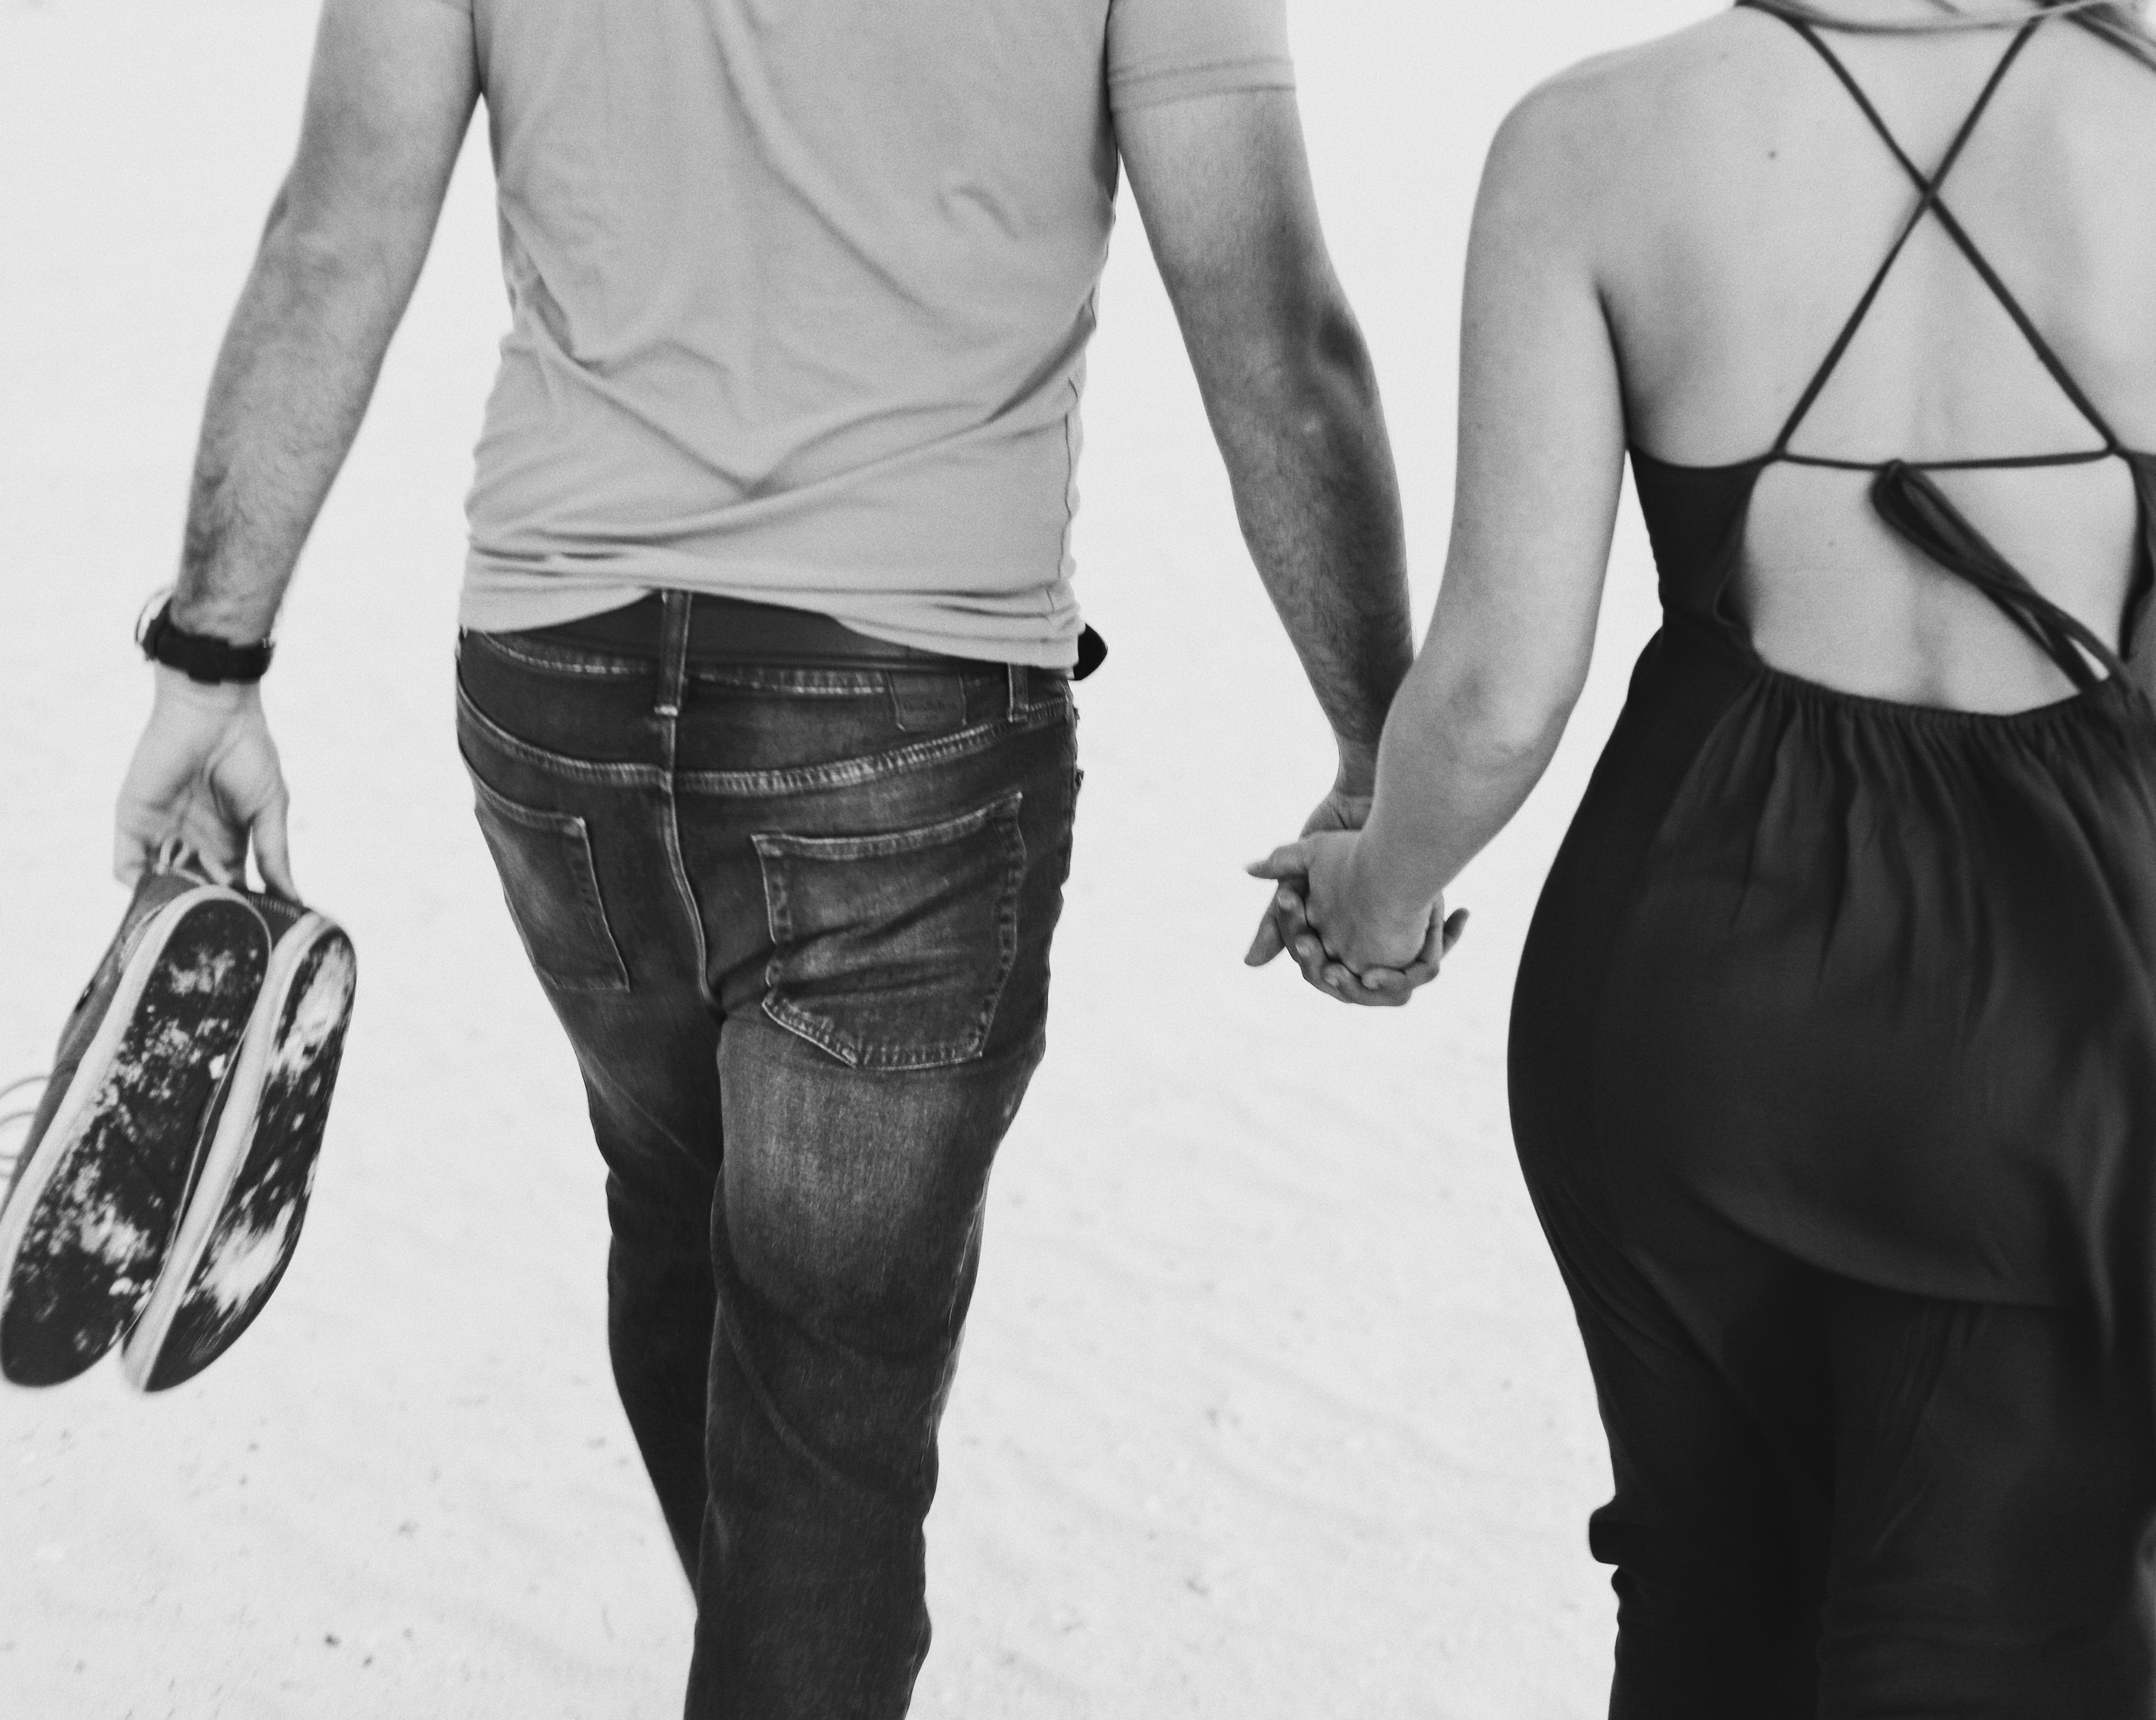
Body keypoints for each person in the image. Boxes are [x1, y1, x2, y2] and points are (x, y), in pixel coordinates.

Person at [106, 0, 1447, 1711]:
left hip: (560, 688)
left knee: (679, 1207)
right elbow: (1273, 326)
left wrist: (211, 660)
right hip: (907, 715)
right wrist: (1381, 758)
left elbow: (334, 230)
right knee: (827, 1384)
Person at [1255, 0, 2156, 1710]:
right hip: (2061, 978)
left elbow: (1498, 693)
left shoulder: (1592, 138)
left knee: (1714, 1594)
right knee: (2025, 1616)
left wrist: (1377, 901)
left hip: (1694, 957)